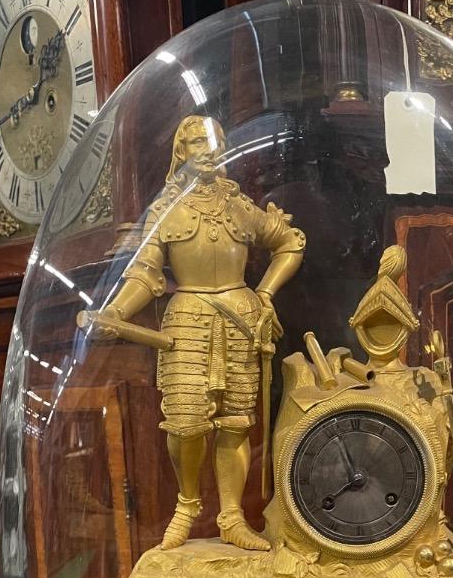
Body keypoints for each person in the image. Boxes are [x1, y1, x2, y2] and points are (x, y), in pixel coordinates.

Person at [99, 115, 305, 550]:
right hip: (187, 321)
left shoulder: (239, 205)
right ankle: (187, 505)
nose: (207, 151)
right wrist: (116, 310)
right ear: (182, 152)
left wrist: (265, 293)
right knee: (186, 424)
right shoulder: (166, 209)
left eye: (213, 143)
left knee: (234, 423)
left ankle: (231, 517)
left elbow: (290, 242)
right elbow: (146, 275)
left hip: (240, 319)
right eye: (196, 143)